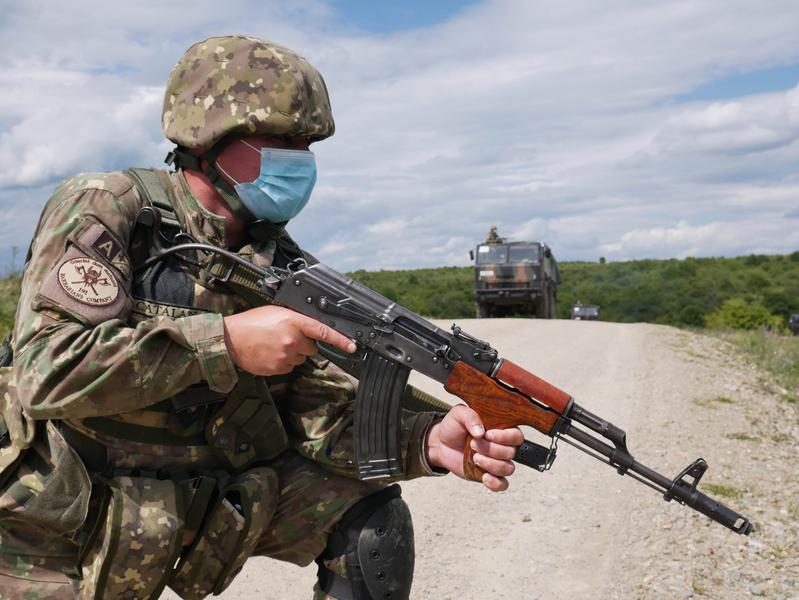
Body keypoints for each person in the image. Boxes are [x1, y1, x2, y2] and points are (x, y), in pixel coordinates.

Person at [0, 35, 523, 599]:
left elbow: (317, 413)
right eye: (283, 138)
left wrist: (426, 440)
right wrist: (223, 343)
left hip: (191, 493)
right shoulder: (109, 207)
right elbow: (45, 372)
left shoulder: (279, 262)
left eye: (307, 142)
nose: (300, 157)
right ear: (212, 137)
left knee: (373, 527)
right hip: (54, 516)